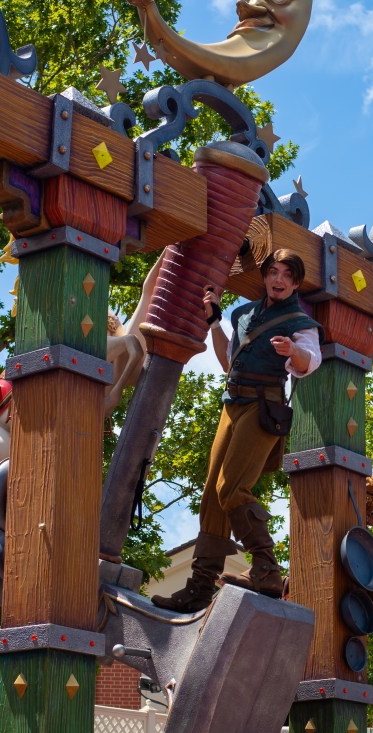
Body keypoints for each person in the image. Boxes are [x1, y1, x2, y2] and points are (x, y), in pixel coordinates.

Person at [153, 248, 323, 612]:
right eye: (273, 272)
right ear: (265, 276)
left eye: (286, 275)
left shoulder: (299, 322)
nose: (278, 280)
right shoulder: (244, 314)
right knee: (212, 497)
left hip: (263, 407)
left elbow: (311, 361)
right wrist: (215, 322)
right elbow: (227, 362)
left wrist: (293, 350)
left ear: (295, 283)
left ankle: (266, 568)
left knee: (230, 488)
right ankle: (200, 587)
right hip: (232, 404)